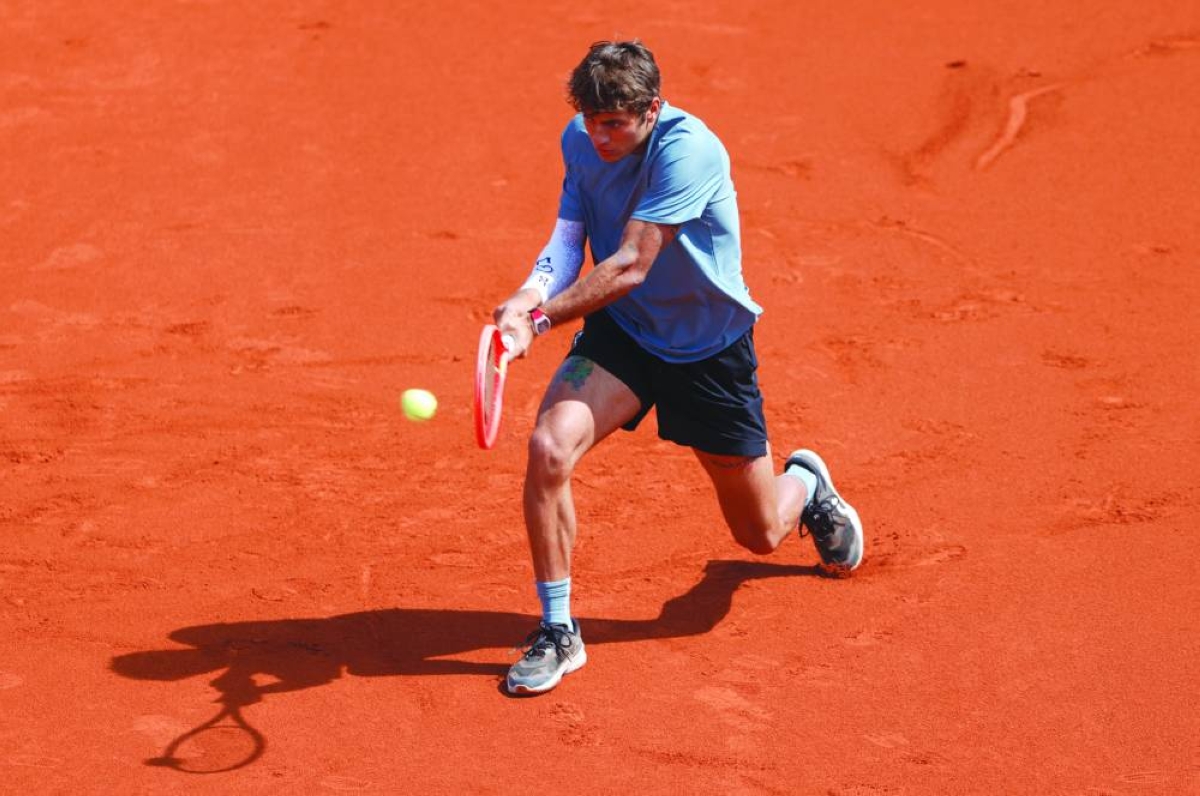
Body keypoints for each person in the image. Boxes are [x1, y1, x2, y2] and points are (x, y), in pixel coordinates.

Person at [491, 40, 864, 695]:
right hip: (626, 337)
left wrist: (542, 320)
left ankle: (805, 485)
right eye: (590, 120)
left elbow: (632, 263)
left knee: (760, 535)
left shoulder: (690, 151)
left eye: (616, 124)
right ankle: (558, 630)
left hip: (706, 351)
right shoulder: (579, 141)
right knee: (549, 448)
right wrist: (528, 293)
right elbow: (569, 237)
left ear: (652, 110)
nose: (600, 137)